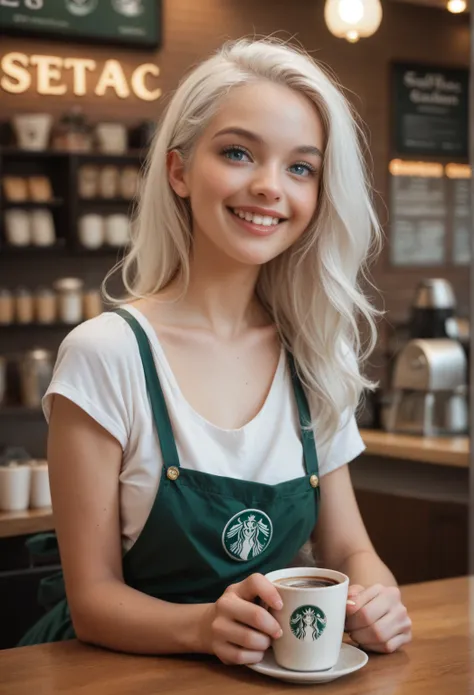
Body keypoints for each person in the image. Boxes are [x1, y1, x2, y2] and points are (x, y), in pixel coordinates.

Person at [19, 38, 412, 663]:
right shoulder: (106, 354)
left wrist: (378, 598)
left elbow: (348, 552)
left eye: (300, 167)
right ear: (178, 170)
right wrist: (204, 628)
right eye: (237, 153)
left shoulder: (310, 354)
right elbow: (93, 600)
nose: (268, 187)